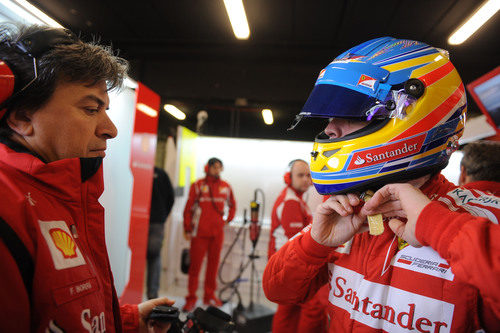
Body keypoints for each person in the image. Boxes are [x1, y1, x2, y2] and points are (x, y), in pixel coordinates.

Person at [263, 37, 500, 332]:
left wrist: (436, 225)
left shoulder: (482, 217)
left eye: (350, 112)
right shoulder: (347, 210)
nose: (329, 129)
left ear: (413, 116)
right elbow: (279, 292)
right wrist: (314, 244)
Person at [0, 23, 173, 332]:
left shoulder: (63, 195)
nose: (111, 129)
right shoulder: (8, 211)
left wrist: (130, 321)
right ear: (23, 117)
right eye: (92, 109)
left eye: (105, 109)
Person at [268, 159, 328, 333]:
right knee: (306, 308)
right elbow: (296, 240)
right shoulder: (291, 202)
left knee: (289, 310)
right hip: (289, 265)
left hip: (287, 264)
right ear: (288, 177)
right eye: (300, 175)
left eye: (308, 175)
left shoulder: (295, 199)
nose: (305, 180)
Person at [182, 157, 236, 311]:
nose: (217, 170)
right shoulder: (198, 185)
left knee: (213, 267)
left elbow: (233, 205)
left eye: (220, 167)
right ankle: (191, 298)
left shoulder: (226, 187)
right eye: (214, 167)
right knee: (195, 268)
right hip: (199, 233)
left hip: (217, 234)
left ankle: (209, 296)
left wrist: (228, 219)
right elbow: (188, 208)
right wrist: (187, 228)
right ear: (207, 168)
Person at [147, 166, 175, 299]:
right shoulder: (162, 173)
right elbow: (171, 197)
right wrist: (163, 215)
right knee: (154, 256)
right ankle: (152, 293)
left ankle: (136, 291)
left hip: (148, 221)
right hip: (157, 221)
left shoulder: (157, 173)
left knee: (148, 255)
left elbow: (170, 197)